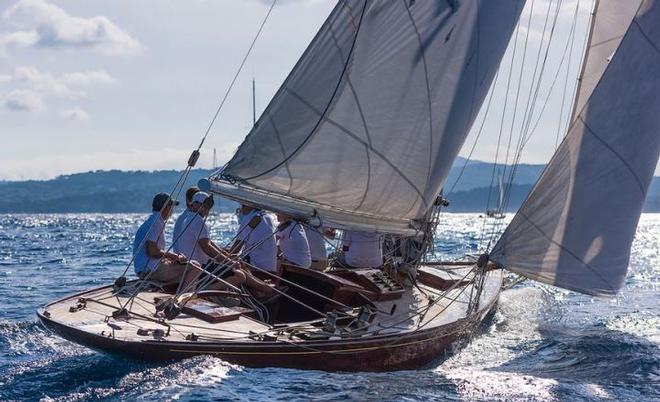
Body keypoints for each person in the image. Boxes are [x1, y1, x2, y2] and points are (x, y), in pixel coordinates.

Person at [176, 193, 276, 298]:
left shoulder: (190, 218)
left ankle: (261, 288)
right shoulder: (197, 221)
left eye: (208, 206)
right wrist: (228, 261)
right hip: (200, 269)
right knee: (239, 275)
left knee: (237, 262)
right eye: (205, 205)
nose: (206, 209)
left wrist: (225, 254)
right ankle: (199, 292)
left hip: (200, 265)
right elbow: (207, 247)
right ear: (194, 205)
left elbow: (209, 243)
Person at [132, 192, 199, 286]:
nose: (172, 211)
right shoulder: (156, 223)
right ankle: (183, 297)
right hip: (151, 270)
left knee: (182, 267)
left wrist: (172, 258)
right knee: (195, 266)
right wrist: (175, 257)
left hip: (143, 269)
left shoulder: (152, 220)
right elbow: (152, 251)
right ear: (167, 207)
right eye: (172, 207)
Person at [230, 204, 278, 273]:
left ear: (250, 206)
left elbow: (236, 248)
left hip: (256, 268)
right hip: (271, 268)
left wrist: (223, 258)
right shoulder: (268, 217)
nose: (241, 209)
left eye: (243, 206)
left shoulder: (248, 218)